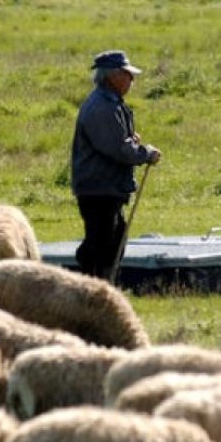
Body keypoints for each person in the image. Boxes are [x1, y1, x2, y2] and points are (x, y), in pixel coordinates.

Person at [70, 50, 162, 281]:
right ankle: (92, 288)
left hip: (106, 187)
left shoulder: (109, 103)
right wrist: (145, 154)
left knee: (113, 241)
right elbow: (117, 148)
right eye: (127, 74)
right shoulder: (102, 107)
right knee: (101, 245)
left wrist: (132, 142)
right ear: (113, 77)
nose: (132, 80)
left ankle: (100, 287)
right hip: (99, 189)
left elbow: (116, 141)